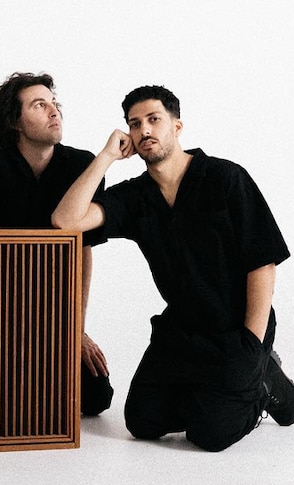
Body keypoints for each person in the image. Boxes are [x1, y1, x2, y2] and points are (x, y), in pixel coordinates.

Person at [51, 85, 294, 451]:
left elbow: (262, 262)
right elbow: (65, 220)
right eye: (135, 124)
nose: (144, 130)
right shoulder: (135, 196)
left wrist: (251, 342)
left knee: (209, 435)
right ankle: (222, 390)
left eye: (154, 120)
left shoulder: (225, 178)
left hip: (237, 329)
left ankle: (262, 382)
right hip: (181, 332)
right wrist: (104, 157)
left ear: (177, 126)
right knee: (141, 422)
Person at [0, 72, 113, 416]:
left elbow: (83, 252)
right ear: (15, 122)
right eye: (40, 105)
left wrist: (74, 331)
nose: (54, 112)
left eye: (55, 104)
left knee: (96, 398)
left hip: (59, 311)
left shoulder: (83, 165)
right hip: (2, 313)